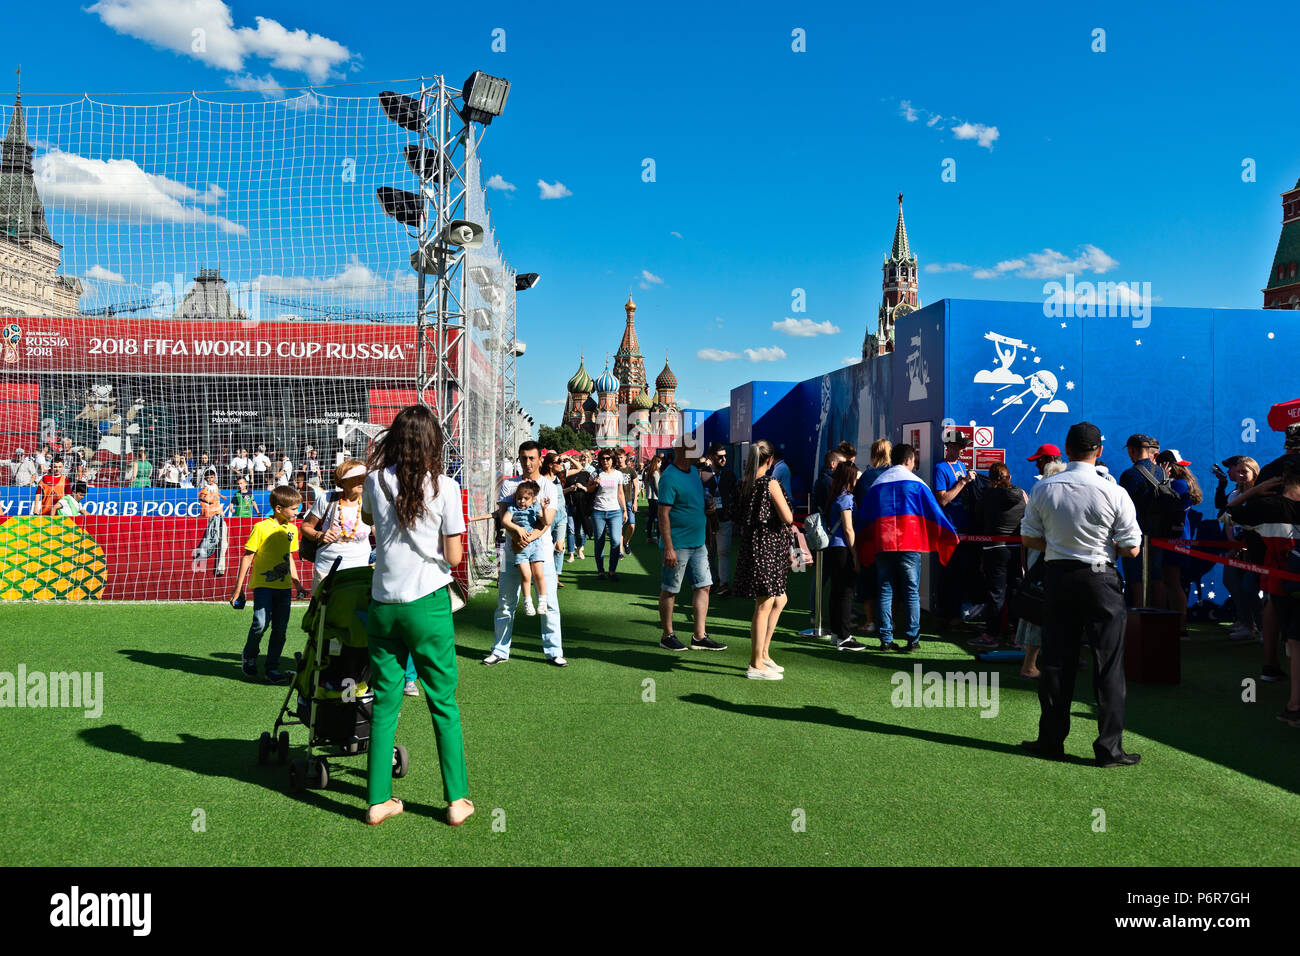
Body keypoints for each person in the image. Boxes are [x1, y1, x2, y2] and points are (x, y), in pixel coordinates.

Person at [359, 404, 473, 827]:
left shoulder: (373, 480)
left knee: (386, 703)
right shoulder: (445, 486)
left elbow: (371, 520)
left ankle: (377, 800)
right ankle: (457, 801)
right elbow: (455, 555)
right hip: (428, 602)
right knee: (443, 702)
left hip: (384, 604)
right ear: (431, 443)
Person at [1020, 422, 1143, 768]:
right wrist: (1108, 549)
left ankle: (1050, 741)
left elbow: (1029, 539)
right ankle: (1109, 750)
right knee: (1109, 666)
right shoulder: (1114, 491)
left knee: (1056, 662)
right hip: (1101, 578)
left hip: (1059, 578)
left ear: (1067, 448)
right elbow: (1132, 548)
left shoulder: (1045, 487)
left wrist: (1060, 547)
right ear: (1099, 451)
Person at [858, 443, 957, 652]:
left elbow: (865, 516)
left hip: (883, 544)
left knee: (885, 590)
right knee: (911, 592)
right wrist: (948, 534)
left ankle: (885, 639)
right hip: (910, 545)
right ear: (909, 460)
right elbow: (934, 512)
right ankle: (913, 639)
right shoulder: (917, 483)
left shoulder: (878, 482)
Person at [485, 440, 566, 667]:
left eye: (532, 458)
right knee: (505, 602)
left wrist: (527, 539)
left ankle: (554, 651)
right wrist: (516, 537)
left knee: (549, 603)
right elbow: (503, 518)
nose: (528, 462)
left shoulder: (549, 486)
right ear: (519, 459)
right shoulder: (510, 485)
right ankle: (500, 650)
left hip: (541, 553)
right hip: (512, 552)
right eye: (524, 458)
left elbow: (547, 521)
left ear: (540, 459)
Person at [1228, 462, 1300, 688]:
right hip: (1282, 578)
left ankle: (1276, 672)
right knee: (1294, 636)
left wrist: (1254, 492)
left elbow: (1227, 515)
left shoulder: (1267, 504)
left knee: (1292, 635)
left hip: (1278, 577)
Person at [656, 440, 727, 652]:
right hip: (677, 544)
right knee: (670, 590)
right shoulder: (669, 477)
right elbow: (663, 514)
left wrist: (708, 505)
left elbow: (694, 501)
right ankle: (667, 635)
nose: (700, 452)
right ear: (682, 451)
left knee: (704, 586)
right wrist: (668, 547)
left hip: (698, 543)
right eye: (694, 448)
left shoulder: (694, 472)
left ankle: (699, 636)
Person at [732, 440, 795, 678]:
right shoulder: (770, 483)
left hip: (754, 547)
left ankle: (764, 654)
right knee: (764, 604)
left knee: (779, 599)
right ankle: (755, 663)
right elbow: (787, 517)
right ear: (769, 461)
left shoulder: (743, 484)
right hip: (767, 548)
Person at [229, 484, 303, 685]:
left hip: (284, 588)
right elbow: (247, 557)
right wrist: (238, 589)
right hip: (263, 586)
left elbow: (289, 557)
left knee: (280, 629)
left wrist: (297, 583)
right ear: (278, 508)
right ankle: (250, 654)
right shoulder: (261, 527)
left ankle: (272, 668)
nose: (298, 512)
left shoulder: (293, 529)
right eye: (294, 509)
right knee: (260, 624)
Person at [1016, 459, 1068, 678]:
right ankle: (1029, 665)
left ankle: (1035, 662)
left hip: (1042, 563)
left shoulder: (1041, 496)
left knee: (1041, 614)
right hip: (1046, 565)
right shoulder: (1050, 500)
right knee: (1040, 615)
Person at [970, 462, 1028, 649]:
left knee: (996, 593)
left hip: (993, 549)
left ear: (991, 479)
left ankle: (991, 635)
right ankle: (1015, 635)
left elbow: (977, 518)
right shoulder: (1021, 495)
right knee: (1014, 591)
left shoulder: (987, 496)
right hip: (1015, 549)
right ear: (1009, 477)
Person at [301, 459, 372, 592]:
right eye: (356, 477)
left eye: (364, 477)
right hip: (327, 569)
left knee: (355, 612)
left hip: (360, 570)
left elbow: (380, 534)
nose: (362, 480)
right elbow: (305, 527)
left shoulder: (370, 501)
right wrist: (319, 535)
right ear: (342, 481)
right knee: (323, 611)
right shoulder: (326, 499)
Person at [1155, 449, 1202, 636]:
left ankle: (1181, 627)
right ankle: (1176, 625)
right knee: (1170, 582)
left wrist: (1162, 480)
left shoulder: (1179, 485)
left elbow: (1163, 504)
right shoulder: (1179, 483)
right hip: (1175, 538)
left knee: (1173, 583)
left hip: (1175, 539)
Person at [1118, 433, 1167, 607]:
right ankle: (1160, 617)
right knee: (1157, 575)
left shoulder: (1130, 475)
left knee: (1135, 576)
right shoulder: (1163, 472)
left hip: (1137, 532)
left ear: (1131, 450)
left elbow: (1122, 507)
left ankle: (1138, 613)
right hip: (1160, 533)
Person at [933, 429, 975, 630]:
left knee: (961, 574)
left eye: (963, 447)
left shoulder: (961, 465)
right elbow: (942, 499)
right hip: (949, 529)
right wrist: (963, 482)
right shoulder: (940, 468)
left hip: (964, 528)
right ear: (949, 447)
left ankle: (956, 615)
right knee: (948, 574)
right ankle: (947, 616)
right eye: (959, 447)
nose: (962, 451)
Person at [1217, 456, 1263, 640]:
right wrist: (1233, 544)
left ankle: (1262, 627)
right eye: (1239, 471)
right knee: (1232, 581)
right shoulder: (1235, 494)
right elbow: (1227, 518)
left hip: (1256, 548)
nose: (1241, 475)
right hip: (1236, 546)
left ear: (1254, 472)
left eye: (1245, 471)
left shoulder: (1260, 494)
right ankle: (1246, 624)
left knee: (1250, 587)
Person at [851, 439, 892, 635]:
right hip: (892, 535)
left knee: (869, 578)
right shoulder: (895, 474)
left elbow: (858, 503)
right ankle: (889, 622)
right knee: (890, 579)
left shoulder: (867, 477)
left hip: (868, 533)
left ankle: (870, 621)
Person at [823, 460, 864, 651]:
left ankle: (836, 633)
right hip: (842, 549)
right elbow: (848, 528)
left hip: (832, 547)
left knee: (836, 592)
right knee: (845, 593)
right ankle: (844, 636)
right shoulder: (846, 498)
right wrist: (855, 554)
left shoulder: (835, 495)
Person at [500, 480, 552, 616]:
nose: (522, 501)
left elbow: (546, 522)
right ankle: (527, 601)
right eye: (519, 498)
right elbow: (505, 521)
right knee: (526, 575)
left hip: (536, 546)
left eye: (526, 498)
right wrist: (517, 528)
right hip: (520, 547)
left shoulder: (534, 508)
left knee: (539, 574)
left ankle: (542, 600)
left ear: (533, 499)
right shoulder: (512, 508)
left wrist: (544, 509)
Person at [586, 450, 628, 581]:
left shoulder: (618, 475)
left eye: (608, 458)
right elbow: (588, 489)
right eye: (603, 458)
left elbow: (620, 493)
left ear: (612, 460)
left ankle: (612, 571)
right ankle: (600, 571)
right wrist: (595, 483)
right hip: (598, 511)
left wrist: (625, 510)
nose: (605, 460)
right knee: (599, 541)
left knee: (615, 541)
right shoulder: (595, 473)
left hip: (615, 511)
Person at [706, 444, 737, 597]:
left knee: (723, 552)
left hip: (725, 518)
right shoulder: (702, 474)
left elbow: (735, 495)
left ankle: (724, 584)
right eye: (720, 456)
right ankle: (712, 580)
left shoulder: (730, 474)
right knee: (708, 553)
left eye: (725, 456)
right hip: (706, 520)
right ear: (711, 457)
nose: (724, 459)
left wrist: (734, 516)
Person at [193, 470, 230, 576]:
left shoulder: (215, 487)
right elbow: (204, 498)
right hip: (211, 518)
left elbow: (215, 494)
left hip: (220, 516)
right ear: (205, 479)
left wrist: (221, 496)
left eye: (212, 477)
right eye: (208, 477)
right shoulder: (204, 490)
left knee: (223, 542)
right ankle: (203, 554)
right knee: (213, 540)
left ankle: (220, 568)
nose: (210, 479)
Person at [542, 453, 571, 588]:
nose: (561, 463)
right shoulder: (542, 480)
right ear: (550, 465)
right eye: (558, 461)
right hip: (547, 516)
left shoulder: (559, 478)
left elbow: (580, 468)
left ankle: (555, 577)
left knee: (559, 547)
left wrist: (569, 489)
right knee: (545, 548)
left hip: (561, 515)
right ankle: (543, 575)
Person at [563, 460, 589, 562]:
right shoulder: (568, 475)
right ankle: (571, 554)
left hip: (582, 507)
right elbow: (563, 491)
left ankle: (579, 549)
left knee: (579, 531)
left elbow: (590, 490)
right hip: (570, 506)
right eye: (572, 464)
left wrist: (582, 487)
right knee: (570, 530)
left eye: (575, 463)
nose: (573, 466)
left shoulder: (586, 474)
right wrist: (570, 489)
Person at [615, 450, 639, 556]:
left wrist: (635, 502)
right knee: (619, 527)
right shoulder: (614, 470)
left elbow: (636, 486)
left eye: (621, 457)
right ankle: (620, 551)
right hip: (618, 503)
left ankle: (626, 542)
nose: (619, 459)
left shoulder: (630, 470)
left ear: (625, 457)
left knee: (632, 525)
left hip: (629, 501)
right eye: (618, 457)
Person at [643, 454, 662, 542]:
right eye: (660, 463)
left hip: (650, 497)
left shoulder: (649, 472)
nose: (660, 464)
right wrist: (660, 496)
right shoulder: (655, 472)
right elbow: (657, 486)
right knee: (658, 518)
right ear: (657, 462)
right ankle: (658, 537)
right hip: (656, 498)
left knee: (651, 517)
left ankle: (648, 537)